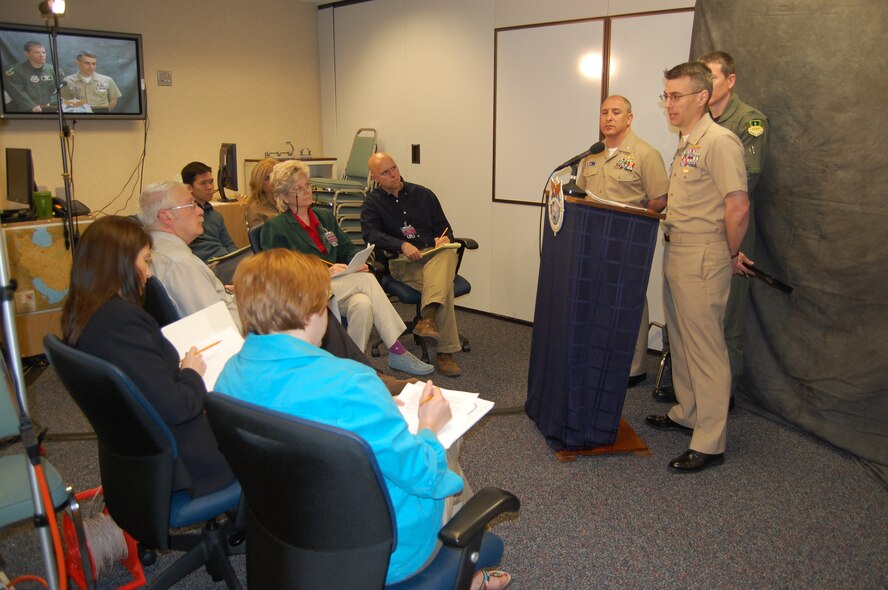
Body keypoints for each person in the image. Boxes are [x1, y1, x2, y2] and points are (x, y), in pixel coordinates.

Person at [215, 249, 510, 589]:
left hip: (291, 531)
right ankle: (464, 565)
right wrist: (429, 426)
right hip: (384, 550)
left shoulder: (228, 378)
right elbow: (424, 476)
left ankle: (463, 560)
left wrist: (380, 410)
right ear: (311, 311)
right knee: (444, 446)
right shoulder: (350, 382)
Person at [137, 180, 415, 394]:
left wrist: (233, 292)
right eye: (191, 205)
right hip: (244, 338)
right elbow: (216, 325)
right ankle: (370, 374)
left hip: (249, 315)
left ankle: (364, 376)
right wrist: (259, 306)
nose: (200, 210)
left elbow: (206, 304)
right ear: (167, 217)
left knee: (359, 302)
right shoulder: (181, 264)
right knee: (315, 309)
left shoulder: (162, 255)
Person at [61, 216, 235, 497]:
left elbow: (142, 377)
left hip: (142, 449)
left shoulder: (80, 312)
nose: (149, 273)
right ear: (121, 265)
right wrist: (190, 372)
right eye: (145, 261)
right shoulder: (123, 323)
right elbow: (179, 407)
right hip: (188, 459)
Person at [645, 61, 752, 473]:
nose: (669, 104)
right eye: (666, 96)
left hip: (704, 253)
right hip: (678, 249)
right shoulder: (688, 141)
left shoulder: (719, 141)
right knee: (683, 341)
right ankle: (687, 412)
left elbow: (737, 206)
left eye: (676, 96)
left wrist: (728, 253)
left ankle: (710, 439)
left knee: (706, 348)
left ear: (702, 97)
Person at [260, 160, 433, 376]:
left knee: (363, 304)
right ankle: (396, 349)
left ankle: (352, 366)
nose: (306, 191)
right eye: (298, 189)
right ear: (284, 196)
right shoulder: (276, 228)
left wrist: (357, 261)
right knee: (367, 280)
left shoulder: (324, 218)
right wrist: (322, 272)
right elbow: (277, 271)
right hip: (305, 289)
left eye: (307, 185)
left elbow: (347, 247)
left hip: (337, 287)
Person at [576, 95, 669, 388]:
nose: (608, 117)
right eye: (604, 112)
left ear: (629, 118)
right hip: (592, 240)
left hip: (628, 241)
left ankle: (633, 366)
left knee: (629, 300)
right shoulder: (591, 155)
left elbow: (659, 199)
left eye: (616, 112)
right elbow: (579, 196)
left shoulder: (645, 154)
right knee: (596, 298)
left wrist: (634, 224)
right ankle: (597, 355)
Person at [699, 50, 769, 396]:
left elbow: (747, 179)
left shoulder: (749, 122)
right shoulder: (699, 122)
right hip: (699, 231)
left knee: (729, 317)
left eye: (711, 76)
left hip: (732, 229)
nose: (706, 84)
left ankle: (724, 394)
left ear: (730, 80)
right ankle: (700, 390)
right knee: (700, 315)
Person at [362, 153, 463, 377]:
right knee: (443, 288)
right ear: (375, 177)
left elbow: (445, 229)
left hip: (435, 255)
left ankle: (427, 319)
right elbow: (370, 233)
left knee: (448, 252)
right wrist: (401, 245)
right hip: (404, 262)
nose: (392, 174)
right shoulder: (372, 202)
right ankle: (444, 351)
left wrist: (443, 239)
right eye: (385, 173)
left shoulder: (424, 194)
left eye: (394, 168)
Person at [181, 161, 239, 262]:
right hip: (206, 267)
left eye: (211, 182)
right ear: (189, 188)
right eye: (203, 183)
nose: (209, 187)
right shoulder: (184, 218)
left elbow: (229, 245)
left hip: (225, 261)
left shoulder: (216, 215)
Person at [4, 41, 58, 113]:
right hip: (28, 114)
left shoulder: (53, 70)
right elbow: (18, 93)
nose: (41, 55)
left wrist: (54, 104)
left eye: (43, 52)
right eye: (37, 52)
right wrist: (31, 107)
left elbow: (60, 90)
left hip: (52, 112)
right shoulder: (16, 71)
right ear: (27, 54)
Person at [244, 157, 280, 229]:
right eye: (267, 178)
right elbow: (261, 238)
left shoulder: (287, 201)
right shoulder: (255, 210)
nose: (273, 180)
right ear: (259, 183)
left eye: (275, 176)